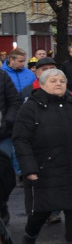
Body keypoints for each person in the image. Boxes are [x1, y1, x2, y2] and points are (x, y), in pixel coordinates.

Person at [13, 68, 72, 244]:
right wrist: (29, 168)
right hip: (45, 167)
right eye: (53, 81)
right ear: (42, 84)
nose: (58, 84)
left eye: (62, 81)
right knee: (42, 209)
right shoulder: (30, 108)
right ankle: (29, 238)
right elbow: (21, 140)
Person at [0, 69, 19, 224]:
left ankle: (2, 205)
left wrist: (7, 122)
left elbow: (14, 101)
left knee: (5, 175)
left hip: (2, 135)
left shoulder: (2, 75)